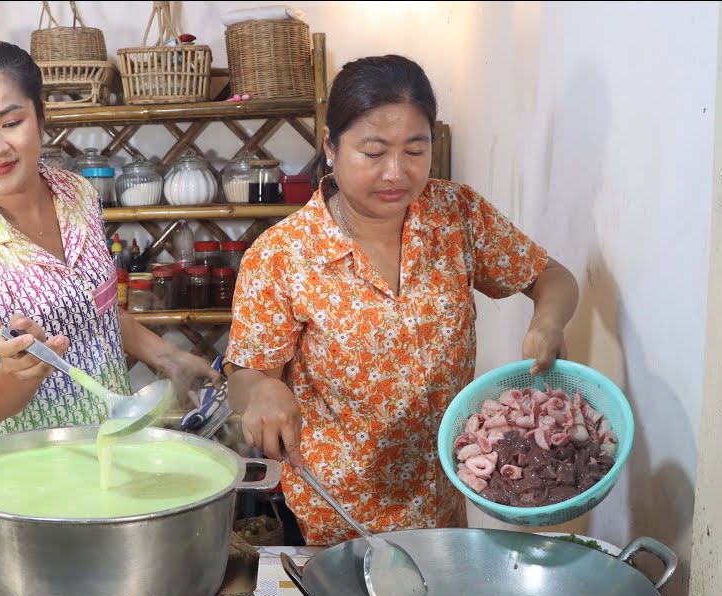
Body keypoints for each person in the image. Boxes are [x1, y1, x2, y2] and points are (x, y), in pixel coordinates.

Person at [226, 55, 579, 546]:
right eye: (373, 152)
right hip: (335, 518)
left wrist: (548, 322)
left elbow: (551, 277)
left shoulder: (456, 215)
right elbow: (245, 375)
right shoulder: (282, 256)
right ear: (330, 146)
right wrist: (262, 391)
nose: (396, 173)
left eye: (415, 150)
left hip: (445, 503)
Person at [0, 41, 219, 442]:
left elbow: (95, 309)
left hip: (110, 443)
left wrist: (169, 358)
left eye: (11, 123)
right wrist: (18, 373)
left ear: (41, 114)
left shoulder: (78, 195)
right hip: (25, 475)